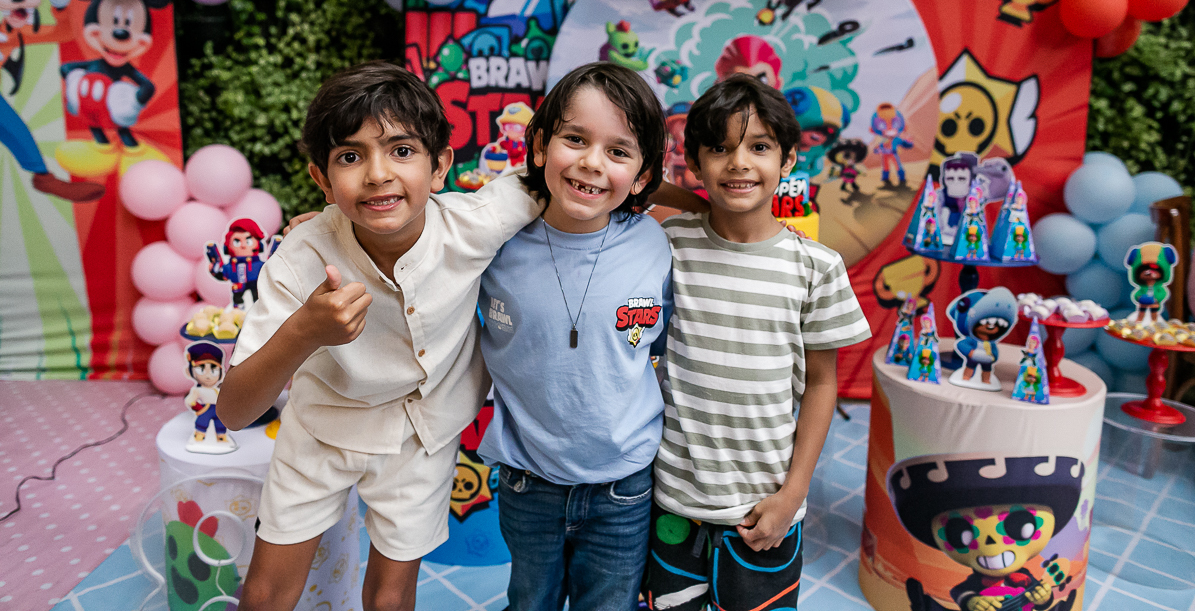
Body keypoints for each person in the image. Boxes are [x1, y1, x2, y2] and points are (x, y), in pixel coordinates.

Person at [215, 62, 543, 611]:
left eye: (402, 151)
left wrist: (701, 204)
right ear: (321, 180)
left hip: (423, 433)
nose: (377, 174)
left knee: (391, 596)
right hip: (322, 427)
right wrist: (304, 332)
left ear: (440, 167)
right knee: (267, 591)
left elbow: (580, 174)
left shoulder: (475, 221)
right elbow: (232, 410)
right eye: (349, 156)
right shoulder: (300, 261)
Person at [645, 75, 871, 611]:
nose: (739, 163)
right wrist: (701, 208)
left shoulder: (816, 267)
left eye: (759, 147)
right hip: (672, 500)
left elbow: (821, 384)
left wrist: (791, 496)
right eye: (719, 150)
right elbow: (636, 180)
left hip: (763, 508)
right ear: (695, 166)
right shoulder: (670, 242)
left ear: (788, 160)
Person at [476, 63, 673, 611]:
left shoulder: (655, 242)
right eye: (574, 139)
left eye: (618, 150)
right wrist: (333, 226)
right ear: (540, 146)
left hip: (625, 486)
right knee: (529, 602)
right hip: (526, 481)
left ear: (640, 174)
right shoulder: (495, 240)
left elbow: (659, 341)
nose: (591, 162)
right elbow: (416, 225)